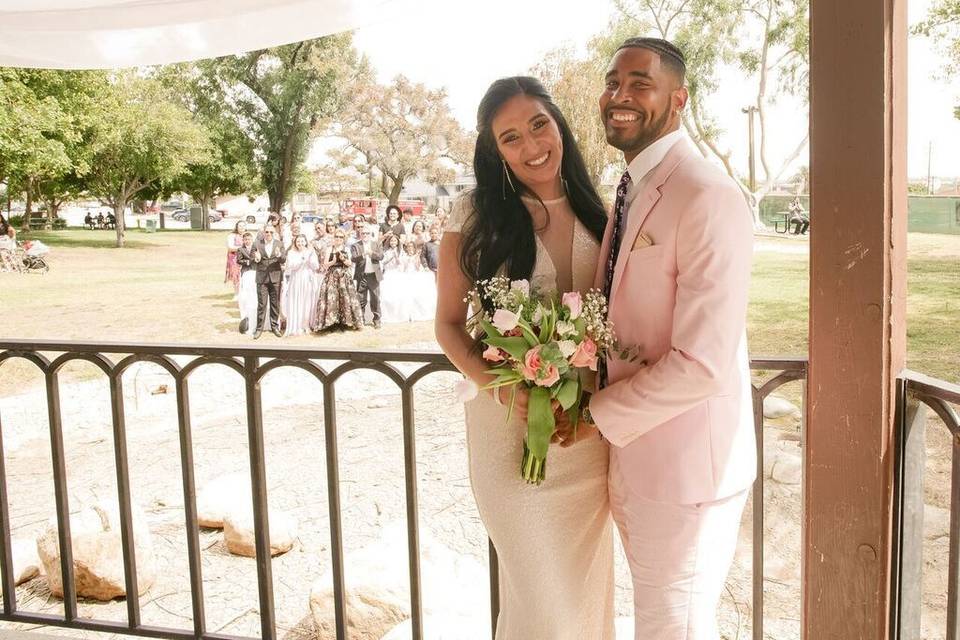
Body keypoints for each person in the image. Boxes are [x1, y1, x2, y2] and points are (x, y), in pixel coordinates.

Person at [556, 38, 755, 640]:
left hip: (687, 473)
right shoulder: (633, 185)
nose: (619, 96)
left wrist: (595, 413)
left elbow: (702, 363)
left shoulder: (707, 195)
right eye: (612, 81)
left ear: (678, 99)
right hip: (639, 463)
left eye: (639, 82)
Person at [434, 76, 612, 638]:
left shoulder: (599, 207)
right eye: (510, 138)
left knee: (584, 596)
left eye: (539, 124)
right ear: (494, 151)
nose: (531, 145)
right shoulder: (474, 212)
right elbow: (446, 326)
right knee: (541, 603)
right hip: (506, 433)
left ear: (558, 123)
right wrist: (506, 387)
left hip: (585, 439)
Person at [314, 229, 364, 331]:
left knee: (345, 298)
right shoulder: (329, 249)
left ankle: (345, 322)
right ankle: (331, 322)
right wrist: (333, 261)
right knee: (332, 299)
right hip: (332, 276)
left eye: (341, 237)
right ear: (334, 237)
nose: (338, 239)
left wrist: (344, 260)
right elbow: (325, 264)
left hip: (344, 275)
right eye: (337, 236)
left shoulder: (346, 249)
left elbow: (350, 264)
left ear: (344, 238)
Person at [281, 234, 320, 336]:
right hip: (296, 279)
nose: (300, 243)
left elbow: (316, 266)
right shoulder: (291, 253)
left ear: (306, 242)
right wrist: (302, 259)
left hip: (307, 279)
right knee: (296, 301)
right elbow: (291, 266)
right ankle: (296, 326)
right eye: (298, 241)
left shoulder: (311, 252)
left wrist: (310, 258)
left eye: (302, 241)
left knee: (307, 302)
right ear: (295, 243)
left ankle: (306, 325)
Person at [251, 226, 286, 339]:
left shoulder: (279, 244)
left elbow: (284, 259)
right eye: (267, 232)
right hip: (262, 277)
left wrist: (279, 255)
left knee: (275, 303)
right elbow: (252, 257)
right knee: (262, 304)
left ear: (274, 233)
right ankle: (259, 329)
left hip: (275, 276)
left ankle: (275, 327)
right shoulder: (257, 243)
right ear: (263, 232)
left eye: (271, 232)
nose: (269, 234)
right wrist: (256, 258)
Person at [351, 224, 383, 328]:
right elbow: (353, 258)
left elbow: (381, 256)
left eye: (367, 233)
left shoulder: (376, 244)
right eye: (363, 233)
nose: (365, 235)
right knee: (361, 299)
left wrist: (372, 253)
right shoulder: (356, 245)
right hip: (362, 276)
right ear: (360, 234)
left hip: (374, 276)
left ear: (370, 234)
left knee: (375, 298)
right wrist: (363, 255)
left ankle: (377, 320)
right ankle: (361, 319)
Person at [398, 240, 435, 321]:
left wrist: (415, 258)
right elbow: (403, 268)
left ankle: (415, 314)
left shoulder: (417, 256)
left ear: (414, 248)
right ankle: (407, 314)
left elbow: (418, 267)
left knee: (415, 296)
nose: (410, 248)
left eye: (411, 246)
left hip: (415, 275)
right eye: (408, 247)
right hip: (407, 276)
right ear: (406, 248)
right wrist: (408, 260)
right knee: (406, 296)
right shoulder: (404, 256)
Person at [236, 232, 258, 335]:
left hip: (255, 271)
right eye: (245, 240)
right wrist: (247, 262)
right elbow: (239, 260)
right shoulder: (240, 249)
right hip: (246, 272)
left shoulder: (256, 248)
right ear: (243, 241)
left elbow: (258, 258)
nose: (247, 241)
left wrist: (254, 260)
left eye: (249, 239)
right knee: (246, 293)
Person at [225, 221, 246, 294]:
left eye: (243, 226)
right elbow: (230, 247)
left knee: (244, 275)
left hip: (245, 258)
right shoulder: (232, 235)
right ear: (236, 227)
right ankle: (236, 293)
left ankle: (244, 292)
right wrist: (242, 248)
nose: (242, 227)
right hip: (234, 258)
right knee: (235, 275)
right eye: (240, 226)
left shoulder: (247, 235)